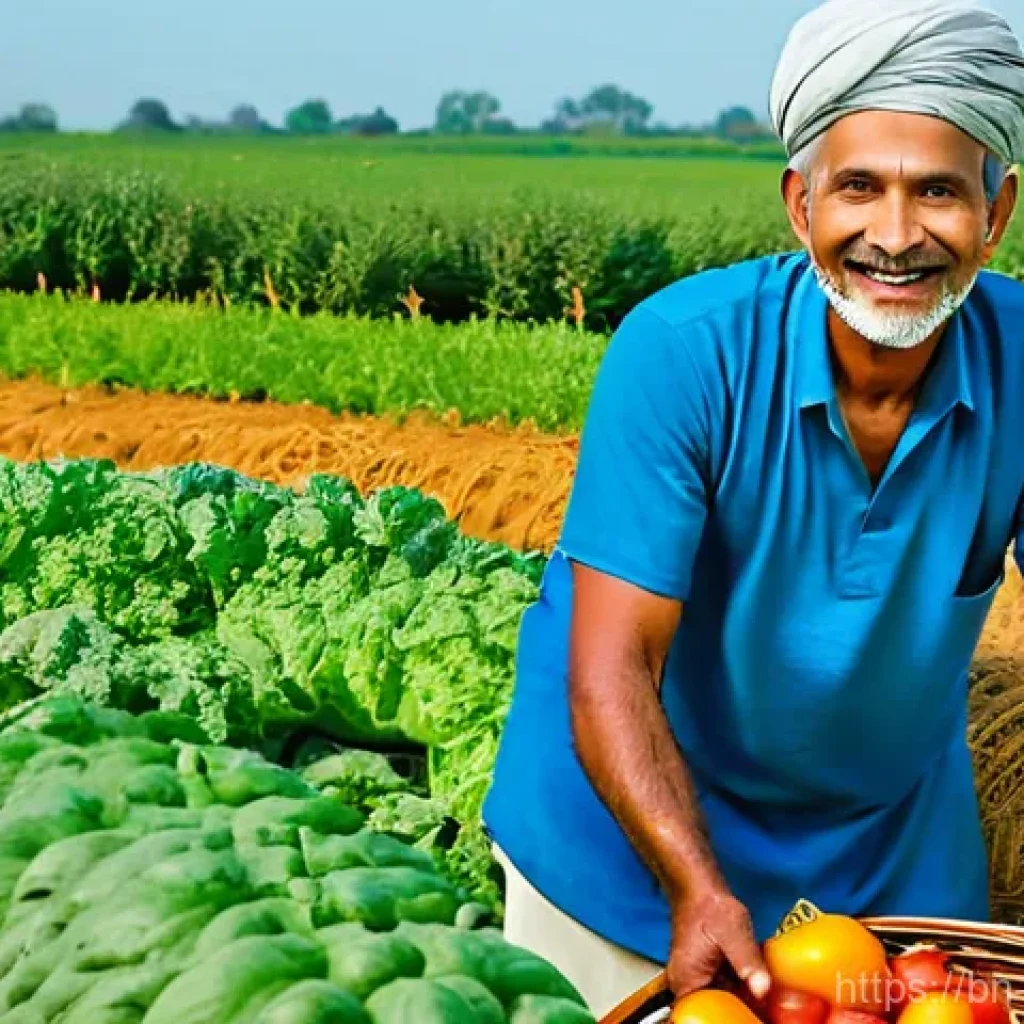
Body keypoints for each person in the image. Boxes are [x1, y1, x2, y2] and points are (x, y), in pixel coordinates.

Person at [482, 0, 1024, 1017]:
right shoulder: (683, 353)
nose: (896, 236)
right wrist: (695, 886)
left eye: (939, 193)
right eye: (858, 187)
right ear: (799, 204)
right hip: (626, 856)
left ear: (994, 214)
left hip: (890, 855)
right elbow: (612, 668)